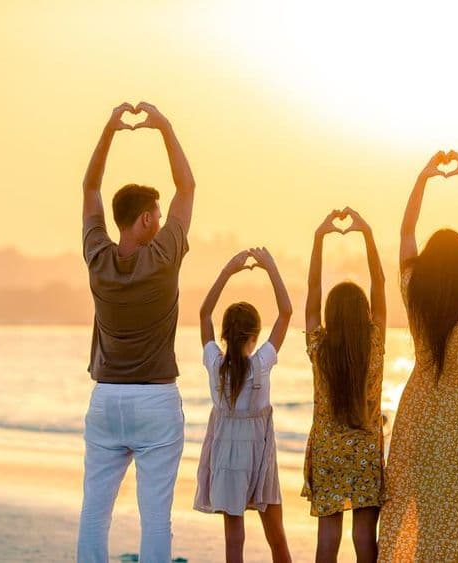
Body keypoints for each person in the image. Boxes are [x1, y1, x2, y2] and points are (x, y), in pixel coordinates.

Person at [77, 102, 195, 563]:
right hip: (155, 402)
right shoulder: (163, 257)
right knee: (155, 519)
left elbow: (89, 187)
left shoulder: (98, 258)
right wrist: (164, 125)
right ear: (146, 219)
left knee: (94, 512)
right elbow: (186, 185)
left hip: (106, 400)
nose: (163, 223)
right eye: (158, 216)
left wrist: (109, 129)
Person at [378, 150, 458, 562]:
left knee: (416, 520)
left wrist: (425, 178)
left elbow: (405, 233)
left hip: (421, 421)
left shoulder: (415, 290)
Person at [194, 248, 293, 563]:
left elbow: (203, 314)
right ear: (255, 335)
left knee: (234, 540)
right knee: (276, 537)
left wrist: (228, 270)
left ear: (224, 334)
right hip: (260, 455)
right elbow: (287, 312)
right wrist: (272, 267)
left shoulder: (214, 363)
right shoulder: (261, 364)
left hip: (226, 454)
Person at [302, 208, 386, 563]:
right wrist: (367, 233)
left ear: (330, 315)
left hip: (327, 451)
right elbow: (380, 284)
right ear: (364, 312)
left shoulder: (319, 347)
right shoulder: (375, 343)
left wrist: (319, 238)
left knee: (328, 539)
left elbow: (312, 290)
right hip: (366, 449)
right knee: (365, 536)